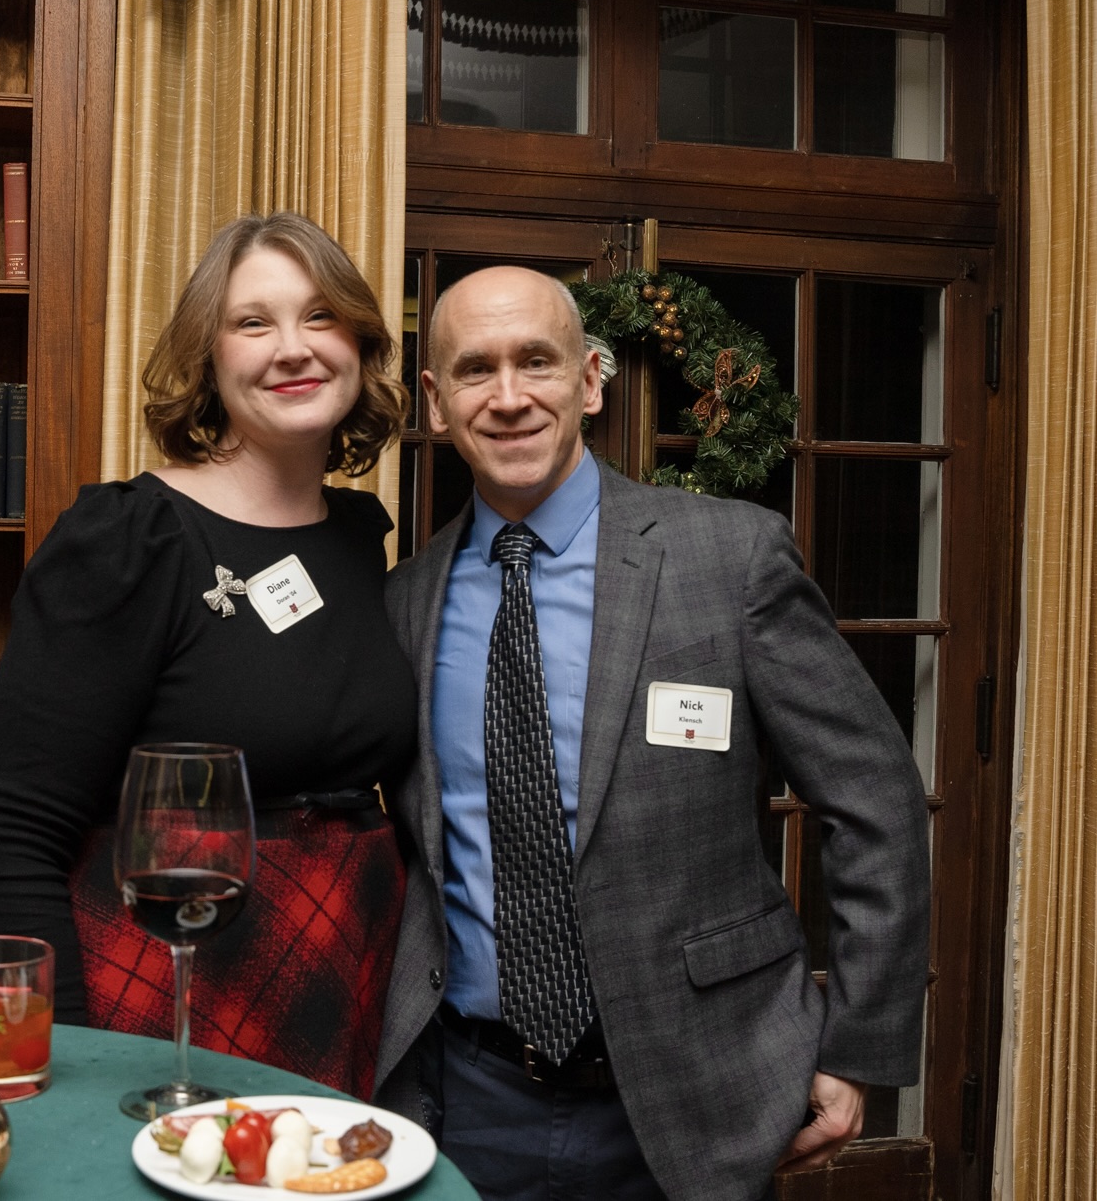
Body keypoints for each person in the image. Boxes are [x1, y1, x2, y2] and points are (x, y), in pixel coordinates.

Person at [373, 265, 930, 1201]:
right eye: (476, 370)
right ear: (436, 402)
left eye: (537, 362)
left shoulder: (730, 557)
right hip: (469, 1102)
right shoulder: (405, 601)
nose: (509, 398)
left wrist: (856, 1047)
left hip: (705, 1088)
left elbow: (875, 802)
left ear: (590, 380)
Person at [0, 212, 415, 1098]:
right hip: (164, 988)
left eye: (321, 316)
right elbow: (16, 834)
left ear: (361, 346)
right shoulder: (128, 540)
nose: (294, 348)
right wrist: (74, 1064)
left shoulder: (361, 539)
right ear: (209, 358)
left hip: (345, 977)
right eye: (254, 323)